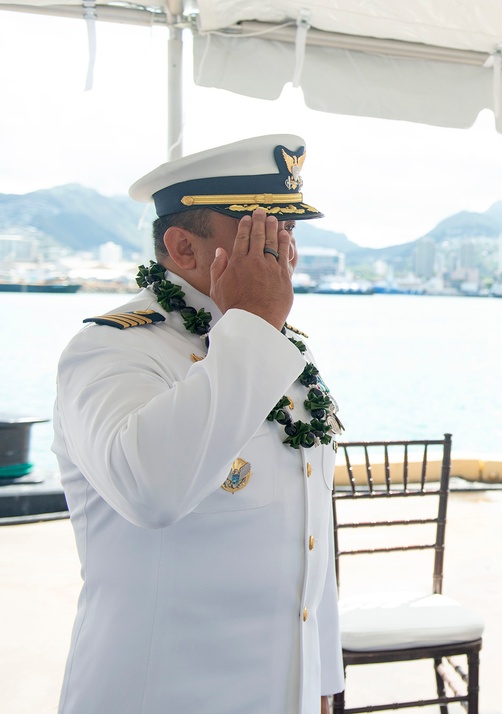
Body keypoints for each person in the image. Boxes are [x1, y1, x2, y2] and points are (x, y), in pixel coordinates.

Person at [52, 135, 345, 714]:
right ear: (183, 248)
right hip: (160, 693)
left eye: (288, 232)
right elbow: (150, 489)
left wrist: (322, 678)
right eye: (261, 233)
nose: (282, 252)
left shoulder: (273, 348)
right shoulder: (111, 351)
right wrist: (255, 325)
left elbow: (307, 529)